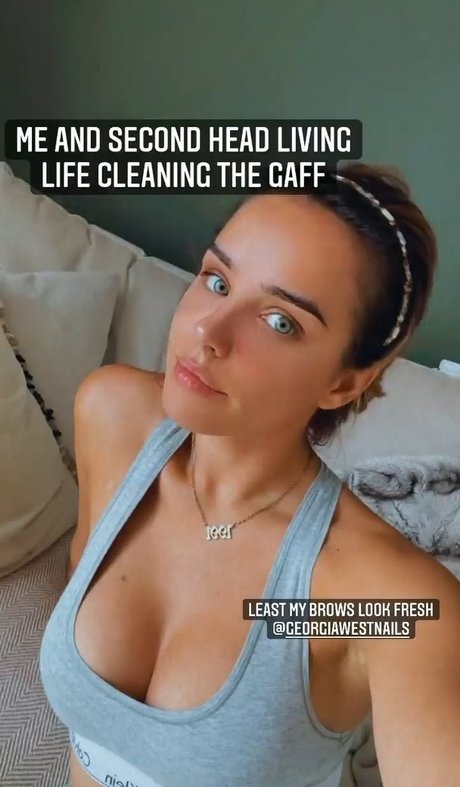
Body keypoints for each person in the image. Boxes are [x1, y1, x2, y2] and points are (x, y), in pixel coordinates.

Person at [40, 162, 460, 787]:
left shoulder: (367, 597)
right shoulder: (114, 418)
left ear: (344, 382)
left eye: (280, 321)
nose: (207, 331)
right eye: (216, 280)